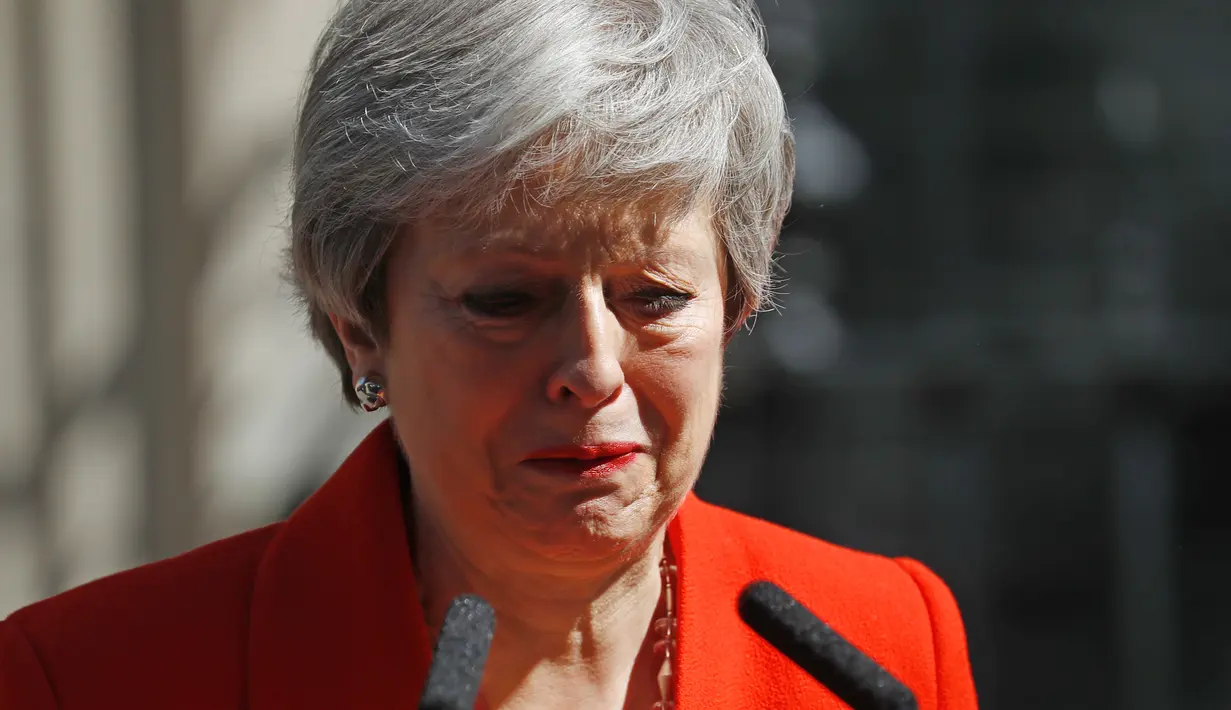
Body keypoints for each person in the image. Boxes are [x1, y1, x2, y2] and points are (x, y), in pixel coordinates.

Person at [0, 0, 978, 708]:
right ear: (358, 322)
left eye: (654, 297)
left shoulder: (879, 638)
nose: (592, 368)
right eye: (504, 300)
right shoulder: (84, 676)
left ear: (737, 304)